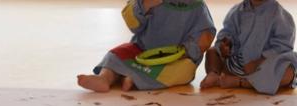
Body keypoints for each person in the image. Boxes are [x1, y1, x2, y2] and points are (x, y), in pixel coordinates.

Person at [77, 0, 215, 92]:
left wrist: (187, 50)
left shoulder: (198, 7)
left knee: (184, 70)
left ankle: (133, 79)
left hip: (177, 58)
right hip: (142, 51)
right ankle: (105, 78)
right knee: (115, 54)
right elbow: (132, 24)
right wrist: (145, 5)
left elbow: (206, 35)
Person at [200, 0, 297, 94]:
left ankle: (240, 82)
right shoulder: (236, 11)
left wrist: (260, 61)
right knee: (212, 52)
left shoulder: (280, 16)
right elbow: (227, 32)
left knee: (288, 73)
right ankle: (214, 74)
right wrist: (226, 45)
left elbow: (283, 46)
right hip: (236, 63)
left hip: (264, 68)